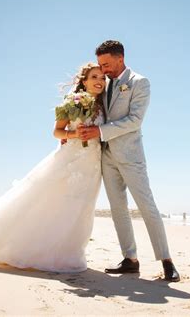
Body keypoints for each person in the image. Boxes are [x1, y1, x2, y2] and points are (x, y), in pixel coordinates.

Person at [0, 63, 106, 273]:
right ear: (84, 81)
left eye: (102, 77)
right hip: (69, 159)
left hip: (91, 163)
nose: (99, 80)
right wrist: (75, 134)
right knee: (52, 201)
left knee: (81, 208)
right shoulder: (71, 102)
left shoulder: (106, 106)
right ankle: (28, 250)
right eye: (94, 76)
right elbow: (57, 132)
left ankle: (68, 254)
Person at [77, 40, 180, 282]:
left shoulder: (139, 82)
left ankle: (167, 261)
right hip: (106, 156)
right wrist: (73, 133)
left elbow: (135, 120)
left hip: (131, 156)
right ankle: (130, 260)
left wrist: (100, 132)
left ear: (120, 58)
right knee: (118, 209)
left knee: (147, 207)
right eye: (100, 65)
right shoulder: (104, 83)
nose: (103, 70)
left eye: (106, 64)